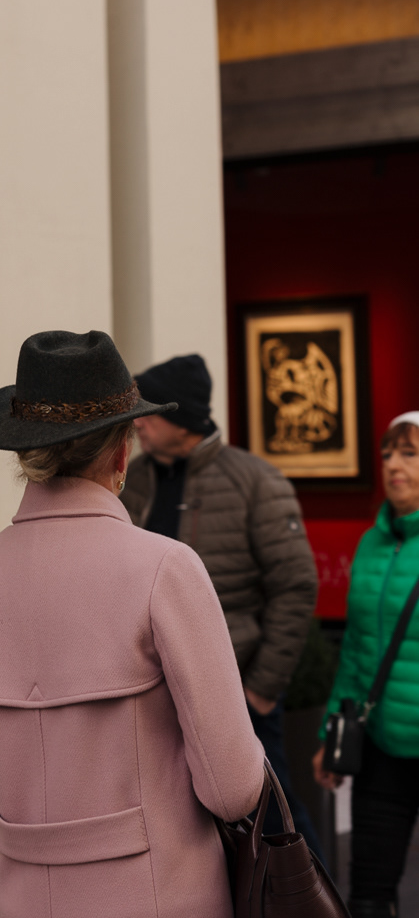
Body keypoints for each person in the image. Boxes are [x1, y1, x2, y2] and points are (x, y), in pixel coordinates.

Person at [0, 330, 265, 918]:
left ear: (25, 455)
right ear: (120, 454)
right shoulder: (164, 568)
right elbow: (233, 788)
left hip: (23, 897)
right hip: (159, 892)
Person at [121, 353, 321, 853]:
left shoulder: (254, 480)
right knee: (180, 827)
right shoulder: (130, 479)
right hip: (154, 693)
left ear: (182, 418)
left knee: (273, 825)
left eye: (149, 413)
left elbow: (296, 585)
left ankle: (311, 895)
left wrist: (262, 690)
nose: (138, 423)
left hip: (239, 692)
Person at [313, 412, 419, 918]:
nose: (393, 465)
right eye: (387, 454)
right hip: (380, 749)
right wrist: (332, 732)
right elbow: (355, 650)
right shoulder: (371, 543)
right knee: (368, 895)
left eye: (410, 454)